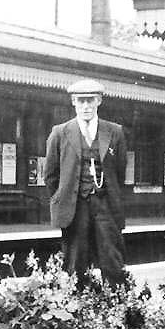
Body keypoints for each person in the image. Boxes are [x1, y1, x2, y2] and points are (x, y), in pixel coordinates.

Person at [44, 78, 127, 285]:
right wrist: (63, 198)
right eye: (81, 101)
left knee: (112, 262)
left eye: (90, 100)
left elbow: (120, 172)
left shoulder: (114, 132)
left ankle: (115, 309)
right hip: (75, 207)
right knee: (75, 263)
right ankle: (77, 310)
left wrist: (108, 195)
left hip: (105, 206)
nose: (86, 106)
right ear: (73, 102)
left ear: (99, 101)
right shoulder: (60, 133)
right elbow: (50, 175)